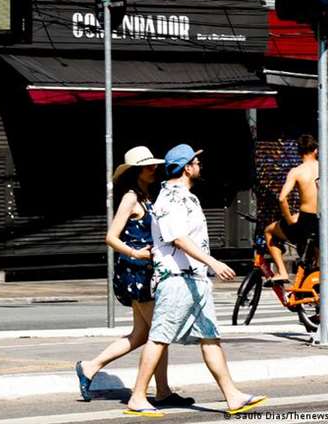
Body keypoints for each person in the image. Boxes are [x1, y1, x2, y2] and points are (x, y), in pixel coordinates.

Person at [125, 144, 266, 417]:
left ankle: (232, 396)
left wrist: (206, 270)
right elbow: (177, 237)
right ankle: (138, 396)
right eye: (196, 162)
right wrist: (213, 262)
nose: (200, 166)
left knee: (210, 337)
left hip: (195, 280)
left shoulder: (188, 197)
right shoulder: (171, 199)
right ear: (187, 167)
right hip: (176, 279)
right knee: (159, 338)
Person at [74, 146, 193, 407]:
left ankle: (90, 367)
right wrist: (135, 253)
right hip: (136, 274)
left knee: (141, 334)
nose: (155, 169)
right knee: (160, 333)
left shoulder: (146, 196)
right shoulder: (130, 198)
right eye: (149, 166)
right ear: (137, 171)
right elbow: (110, 237)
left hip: (146, 273)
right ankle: (160, 391)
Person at [264, 134, 328, 284]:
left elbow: (282, 198)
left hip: (306, 222)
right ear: (316, 150)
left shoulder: (296, 172)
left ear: (298, 152)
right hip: (323, 220)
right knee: (317, 249)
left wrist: (289, 220)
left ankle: (282, 273)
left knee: (269, 231)